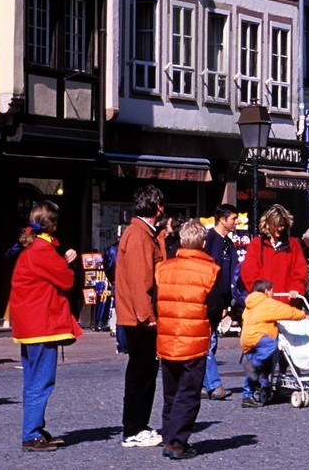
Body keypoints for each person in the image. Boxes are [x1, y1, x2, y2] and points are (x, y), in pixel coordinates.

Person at [9, 200, 80, 453]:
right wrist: (68, 261)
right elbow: (65, 279)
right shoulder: (42, 249)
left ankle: (35, 428)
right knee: (42, 380)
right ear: (52, 224)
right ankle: (31, 433)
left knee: (33, 379)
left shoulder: (32, 247)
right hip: (41, 323)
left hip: (29, 325)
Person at [155, 219, 223, 461]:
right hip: (194, 338)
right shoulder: (211, 271)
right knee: (189, 392)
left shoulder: (163, 269)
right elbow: (214, 308)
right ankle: (177, 442)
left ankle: (167, 435)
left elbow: (156, 303)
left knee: (171, 392)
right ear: (203, 243)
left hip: (166, 337)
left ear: (183, 241)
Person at [116, 185, 168, 449]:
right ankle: (134, 428)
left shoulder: (144, 233)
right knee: (141, 373)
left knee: (145, 372)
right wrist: (146, 314)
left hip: (139, 315)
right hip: (139, 318)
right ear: (156, 205)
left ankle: (138, 426)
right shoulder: (137, 234)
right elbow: (140, 279)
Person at [238, 279, 306, 407]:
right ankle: (255, 368)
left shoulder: (249, 303)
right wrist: (303, 315)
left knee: (256, 370)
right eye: (272, 291)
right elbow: (288, 311)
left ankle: (248, 396)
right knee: (272, 346)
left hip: (246, 339)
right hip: (259, 338)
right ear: (266, 291)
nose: (273, 294)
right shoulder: (267, 303)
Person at [201, 205, 240, 401]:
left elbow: (230, 274)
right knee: (208, 341)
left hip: (220, 300)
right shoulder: (209, 239)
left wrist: (227, 302)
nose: (236, 222)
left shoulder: (229, 244)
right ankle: (214, 385)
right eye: (233, 218)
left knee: (211, 342)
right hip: (207, 298)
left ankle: (202, 382)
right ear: (222, 219)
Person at [240, 204, 309, 301]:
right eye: (275, 225)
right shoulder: (257, 244)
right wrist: (260, 289)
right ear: (267, 224)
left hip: (287, 302)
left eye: (281, 225)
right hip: (263, 301)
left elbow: (300, 271)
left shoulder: (293, 244)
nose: (279, 229)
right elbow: (249, 271)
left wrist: (296, 288)